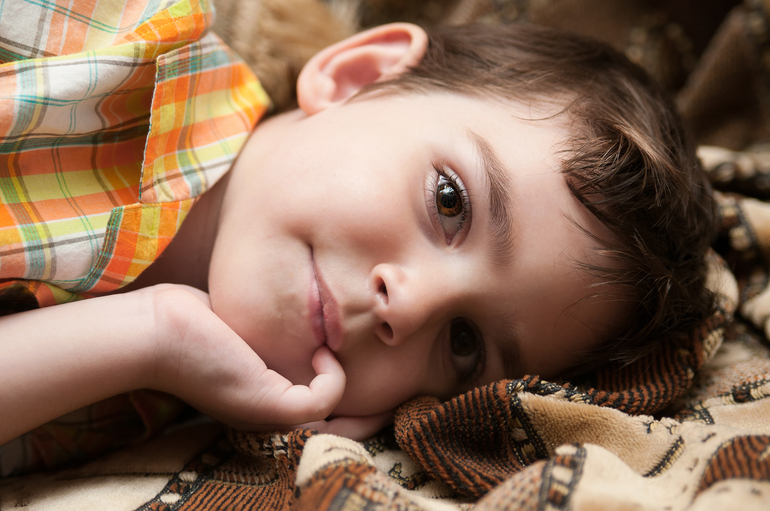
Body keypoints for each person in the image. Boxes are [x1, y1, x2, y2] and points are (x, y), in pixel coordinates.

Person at [0, 0, 714, 473]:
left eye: (464, 343)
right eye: (450, 202)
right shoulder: (115, 39)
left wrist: (151, 337)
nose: (410, 306)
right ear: (357, 76)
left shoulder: (130, 413)